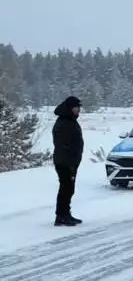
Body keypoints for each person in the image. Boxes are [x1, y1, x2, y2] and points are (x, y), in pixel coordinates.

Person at [51, 95, 84, 226]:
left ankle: (65, 213)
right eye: (76, 108)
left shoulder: (69, 120)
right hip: (65, 162)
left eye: (79, 108)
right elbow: (63, 144)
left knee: (68, 188)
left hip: (69, 161)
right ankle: (61, 216)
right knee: (66, 188)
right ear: (70, 108)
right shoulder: (64, 122)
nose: (78, 110)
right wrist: (70, 161)